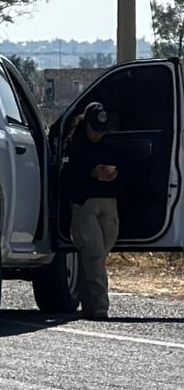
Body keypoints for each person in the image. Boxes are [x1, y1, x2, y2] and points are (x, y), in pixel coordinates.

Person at [62, 101, 120, 320]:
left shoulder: (108, 146)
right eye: (95, 129)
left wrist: (113, 174)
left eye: (101, 130)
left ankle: (88, 301)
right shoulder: (73, 146)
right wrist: (91, 172)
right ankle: (99, 307)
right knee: (94, 255)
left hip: (109, 205)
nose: (98, 134)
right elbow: (66, 177)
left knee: (98, 257)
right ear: (86, 124)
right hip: (84, 205)